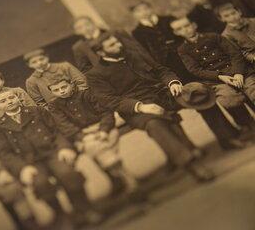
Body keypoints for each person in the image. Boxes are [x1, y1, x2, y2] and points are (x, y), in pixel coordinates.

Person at [86, 32, 217, 182]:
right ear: (100, 52)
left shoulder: (134, 55)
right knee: (155, 123)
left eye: (117, 42)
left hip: (161, 95)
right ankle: (191, 163)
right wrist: (141, 107)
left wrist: (173, 82)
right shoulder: (95, 74)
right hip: (136, 110)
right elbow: (110, 101)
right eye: (112, 45)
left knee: (200, 93)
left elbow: (162, 70)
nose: (119, 45)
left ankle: (227, 136)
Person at [0, 88, 99, 224]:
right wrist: (22, 168)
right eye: (3, 101)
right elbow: (4, 153)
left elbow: (57, 130)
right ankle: (62, 217)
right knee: (40, 183)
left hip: (52, 151)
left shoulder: (37, 111)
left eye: (12, 98)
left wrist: (64, 148)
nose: (9, 102)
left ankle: (83, 209)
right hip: (30, 163)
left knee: (67, 173)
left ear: (18, 98)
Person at [47, 77, 130, 194]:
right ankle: (129, 181)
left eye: (64, 87)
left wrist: (103, 130)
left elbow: (106, 113)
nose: (61, 91)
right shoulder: (54, 106)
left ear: (71, 84)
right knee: (96, 146)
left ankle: (120, 181)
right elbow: (64, 126)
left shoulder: (86, 94)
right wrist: (83, 137)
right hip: (83, 136)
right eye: (56, 90)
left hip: (104, 128)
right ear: (52, 92)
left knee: (101, 147)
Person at [170, 17, 255, 126]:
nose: (185, 30)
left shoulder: (213, 37)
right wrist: (220, 77)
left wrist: (238, 72)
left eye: (187, 25)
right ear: (176, 32)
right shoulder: (183, 49)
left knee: (253, 90)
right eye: (180, 29)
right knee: (229, 100)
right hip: (216, 80)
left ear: (194, 24)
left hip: (239, 72)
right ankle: (248, 126)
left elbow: (235, 54)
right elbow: (195, 70)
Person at [130, 1, 195, 83]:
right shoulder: (137, 32)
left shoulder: (168, 19)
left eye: (145, 8)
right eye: (138, 11)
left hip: (183, 54)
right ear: (134, 15)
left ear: (151, 8)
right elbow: (145, 51)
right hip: (164, 62)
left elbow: (182, 36)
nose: (143, 12)